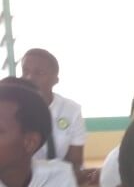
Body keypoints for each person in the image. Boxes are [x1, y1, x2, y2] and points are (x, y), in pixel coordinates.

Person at [19, 48, 87, 176]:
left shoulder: (72, 111)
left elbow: (75, 162)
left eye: (39, 73)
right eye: (25, 71)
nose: (29, 78)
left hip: (62, 180)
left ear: (55, 80)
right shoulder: (10, 112)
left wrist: (55, 183)